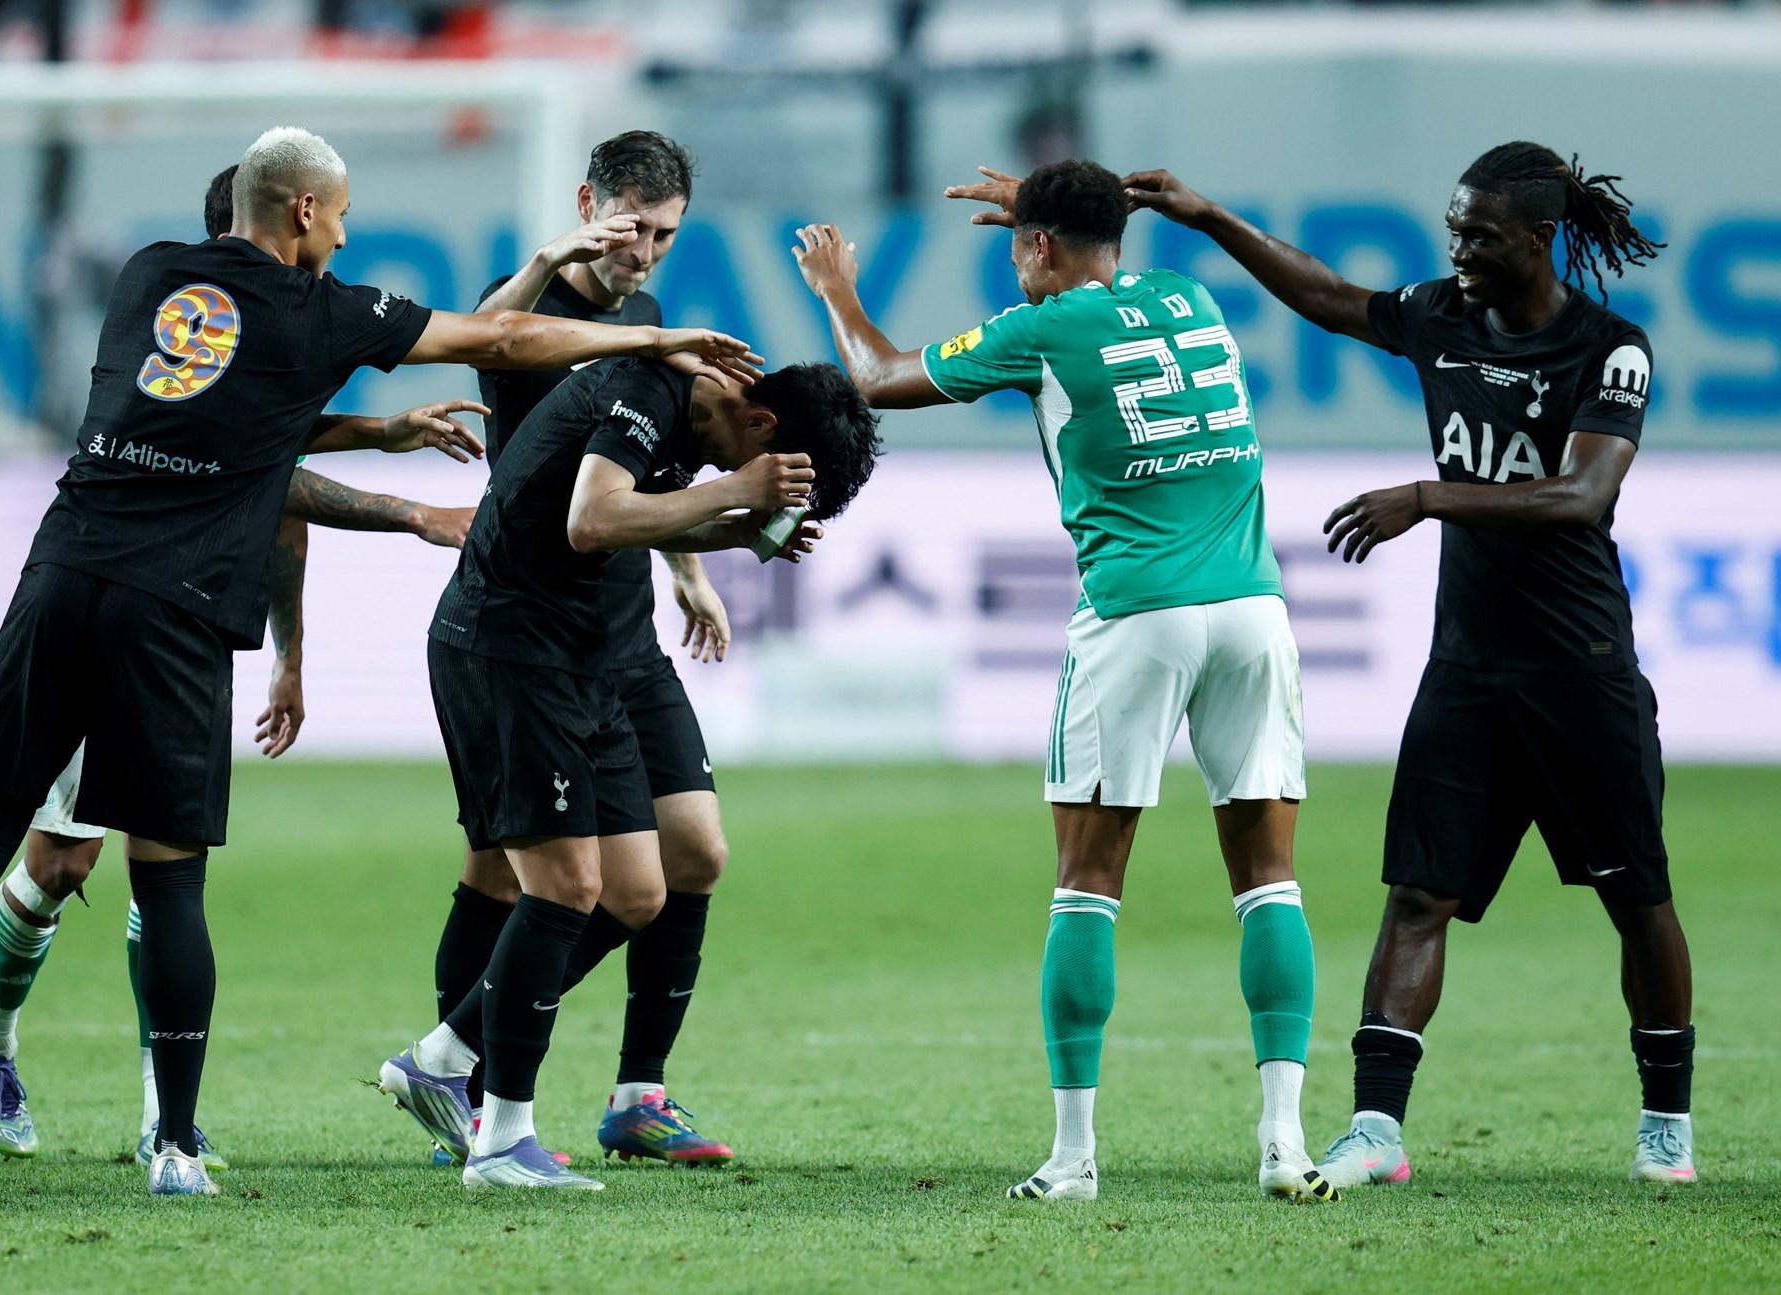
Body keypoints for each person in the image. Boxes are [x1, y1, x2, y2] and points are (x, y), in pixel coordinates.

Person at [0, 124, 757, 1201]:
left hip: (64, 568)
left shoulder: (148, 275)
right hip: (182, 607)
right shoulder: (326, 310)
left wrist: (376, 438)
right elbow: (500, 336)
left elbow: (237, 420)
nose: (343, 236)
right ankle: (172, 1140)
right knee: (157, 876)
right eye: (338, 217)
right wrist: (651, 342)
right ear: (302, 211)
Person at [1120, 142, 1691, 1186]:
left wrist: (1425, 496)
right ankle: (1377, 1129)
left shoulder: (1610, 348)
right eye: (1453, 229)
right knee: (1417, 894)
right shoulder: (1441, 315)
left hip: (1580, 670)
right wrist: (1207, 216)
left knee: (1636, 896)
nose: (1457, 249)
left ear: (1537, 237)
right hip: (1466, 669)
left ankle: (1666, 1123)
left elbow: (1581, 496)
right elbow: (1329, 297)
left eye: (1478, 234)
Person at [795, 159, 1329, 1203]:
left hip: (1134, 614)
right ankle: (1284, 1143)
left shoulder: (1038, 331)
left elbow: (878, 376)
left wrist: (836, 290)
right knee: (1268, 878)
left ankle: (1074, 1157)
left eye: (1018, 247)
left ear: (1038, 245)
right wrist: (1049, 221)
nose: (1012, 263)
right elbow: (1096, 274)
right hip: (1253, 610)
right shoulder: (1187, 297)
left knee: (1087, 880)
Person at [0, 162, 486, 1172]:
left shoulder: (274, 334)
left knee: (164, 872)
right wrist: (405, 493)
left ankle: (166, 1117)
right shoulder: (201, 331)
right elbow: (273, 468)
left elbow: (276, 497)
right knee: (62, 863)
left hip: (184, 626)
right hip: (104, 601)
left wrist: (291, 655)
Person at [417, 356, 879, 1189]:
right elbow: (592, 519)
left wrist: (731, 531)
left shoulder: (702, 411)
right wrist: (733, 492)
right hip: (511, 643)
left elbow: (644, 514)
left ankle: (445, 1055)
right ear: (762, 426)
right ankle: (501, 1139)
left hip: (586, 653)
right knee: (558, 884)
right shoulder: (649, 388)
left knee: (638, 889)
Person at [381, 131, 740, 1170]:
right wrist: (548, 257)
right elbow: (491, 340)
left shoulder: (650, 316)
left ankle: (632, 1091)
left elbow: (646, 460)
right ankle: (465, 1088)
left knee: (691, 853)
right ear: (591, 206)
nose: (646, 253)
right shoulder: (526, 302)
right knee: (510, 872)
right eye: (633, 229)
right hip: (527, 619)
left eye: (666, 234)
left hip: (619, 624)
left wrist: (686, 567)